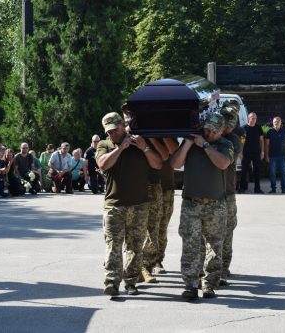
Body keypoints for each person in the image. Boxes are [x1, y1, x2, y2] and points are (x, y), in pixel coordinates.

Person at [97, 112, 162, 297]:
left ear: (122, 126)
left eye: (115, 130)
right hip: (114, 206)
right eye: (108, 131)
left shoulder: (139, 143)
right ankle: (111, 282)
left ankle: (131, 281)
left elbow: (158, 164)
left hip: (140, 204)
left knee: (135, 246)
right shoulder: (105, 145)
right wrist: (120, 149)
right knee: (113, 246)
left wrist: (145, 148)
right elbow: (103, 164)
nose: (112, 134)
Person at [170, 113, 234, 300]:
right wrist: (189, 143)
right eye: (207, 129)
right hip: (191, 203)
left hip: (215, 205)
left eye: (213, 131)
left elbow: (222, 164)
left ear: (222, 130)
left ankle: (210, 284)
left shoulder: (225, 145)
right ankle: (190, 284)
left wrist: (205, 146)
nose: (209, 132)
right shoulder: (192, 143)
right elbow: (175, 163)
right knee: (191, 245)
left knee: (214, 246)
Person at [219, 107, 243, 285]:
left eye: (229, 125)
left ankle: (223, 267)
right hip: (212, 191)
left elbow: (228, 160)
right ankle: (210, 267)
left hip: (227, 192)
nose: (226, 128)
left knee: (227, 230)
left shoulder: (234, 140)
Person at [150, 138, 178, 275]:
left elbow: (173, 150)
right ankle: (143, 262)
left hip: (166, 187)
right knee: (145, 228)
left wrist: (158, 135)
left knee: (162, 228)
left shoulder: (168, 133)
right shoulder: (139, 131)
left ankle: (157, 260)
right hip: (146, 186)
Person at [239, 112, 264, 194]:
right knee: (244, 170)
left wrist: (262, 151)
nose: (254, 120)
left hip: (256, 152)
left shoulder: (258, 128)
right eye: (252, 118)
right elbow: (241, 142)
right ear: (248, 118)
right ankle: (242, 188)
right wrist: (240, 152)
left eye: (255, 118)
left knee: (257, 170)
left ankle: (257, 189)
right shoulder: (244, 128)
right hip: (246, 153)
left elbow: (261, 141)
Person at [265, 116, 285, 193]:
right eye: (275, 122)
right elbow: (266, 145)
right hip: (272, 156)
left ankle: (283, 189)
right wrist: (266, 155)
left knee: (283, 173)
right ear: (272, 123)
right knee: (272, 173)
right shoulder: (269, 132)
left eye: (278, 121)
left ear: (280, 123)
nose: (276, 123)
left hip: (282, 156)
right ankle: (273, 189)